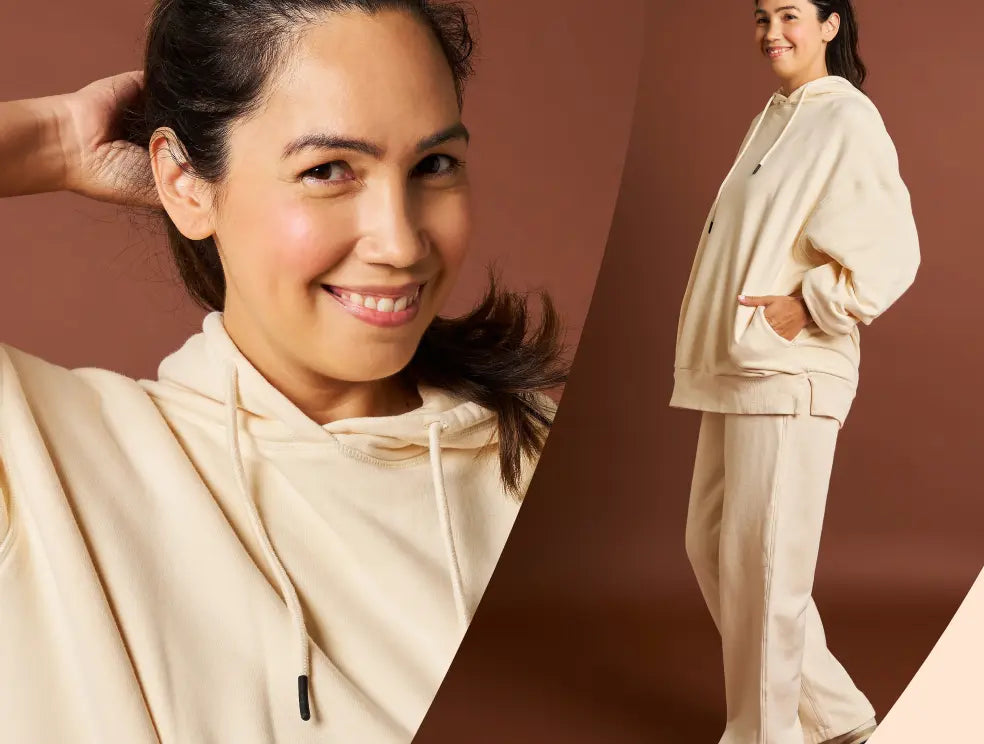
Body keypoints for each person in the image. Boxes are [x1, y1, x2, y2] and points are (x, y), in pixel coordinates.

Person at [0, 1, 565, 741]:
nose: (399, 241)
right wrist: (55, 139)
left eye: (433, 165)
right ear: (183, 181)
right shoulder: (45, 466)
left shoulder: (569, 471)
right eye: (328, 170)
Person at [671, 1, 920, 743]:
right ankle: (835, 717)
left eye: (789, 14)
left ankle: (762, 736)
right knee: (716, 546)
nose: (772, 31)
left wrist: (808, 304)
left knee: (765, 568)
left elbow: (889, 254)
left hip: (788, 371)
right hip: (741, 367)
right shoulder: (777, 116)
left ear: (829, 25)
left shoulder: (845, 119)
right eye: (760, 17)